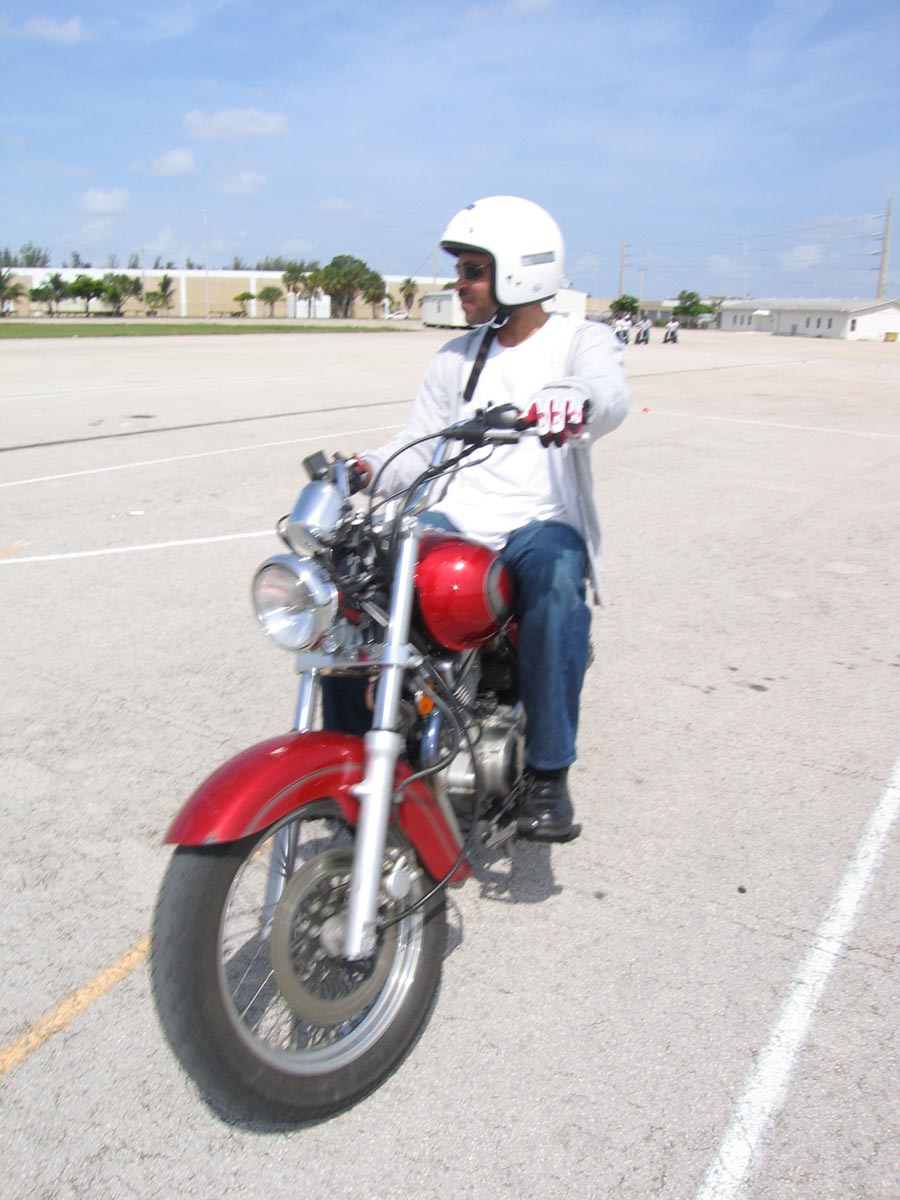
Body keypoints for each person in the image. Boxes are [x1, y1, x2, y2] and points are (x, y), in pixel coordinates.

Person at [345, 196, 630, 842]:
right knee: (366, 580)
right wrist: (365, 468)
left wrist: (577, 396)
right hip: (455, 517)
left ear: (520, 272)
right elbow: (417, 444)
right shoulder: (455, 357)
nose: (461, 284)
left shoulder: (579, 341)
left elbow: (609, 393)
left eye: (473, 270)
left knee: (558, 582)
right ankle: (367, 742)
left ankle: (548, 774)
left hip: (538, 521)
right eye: (462, 271)